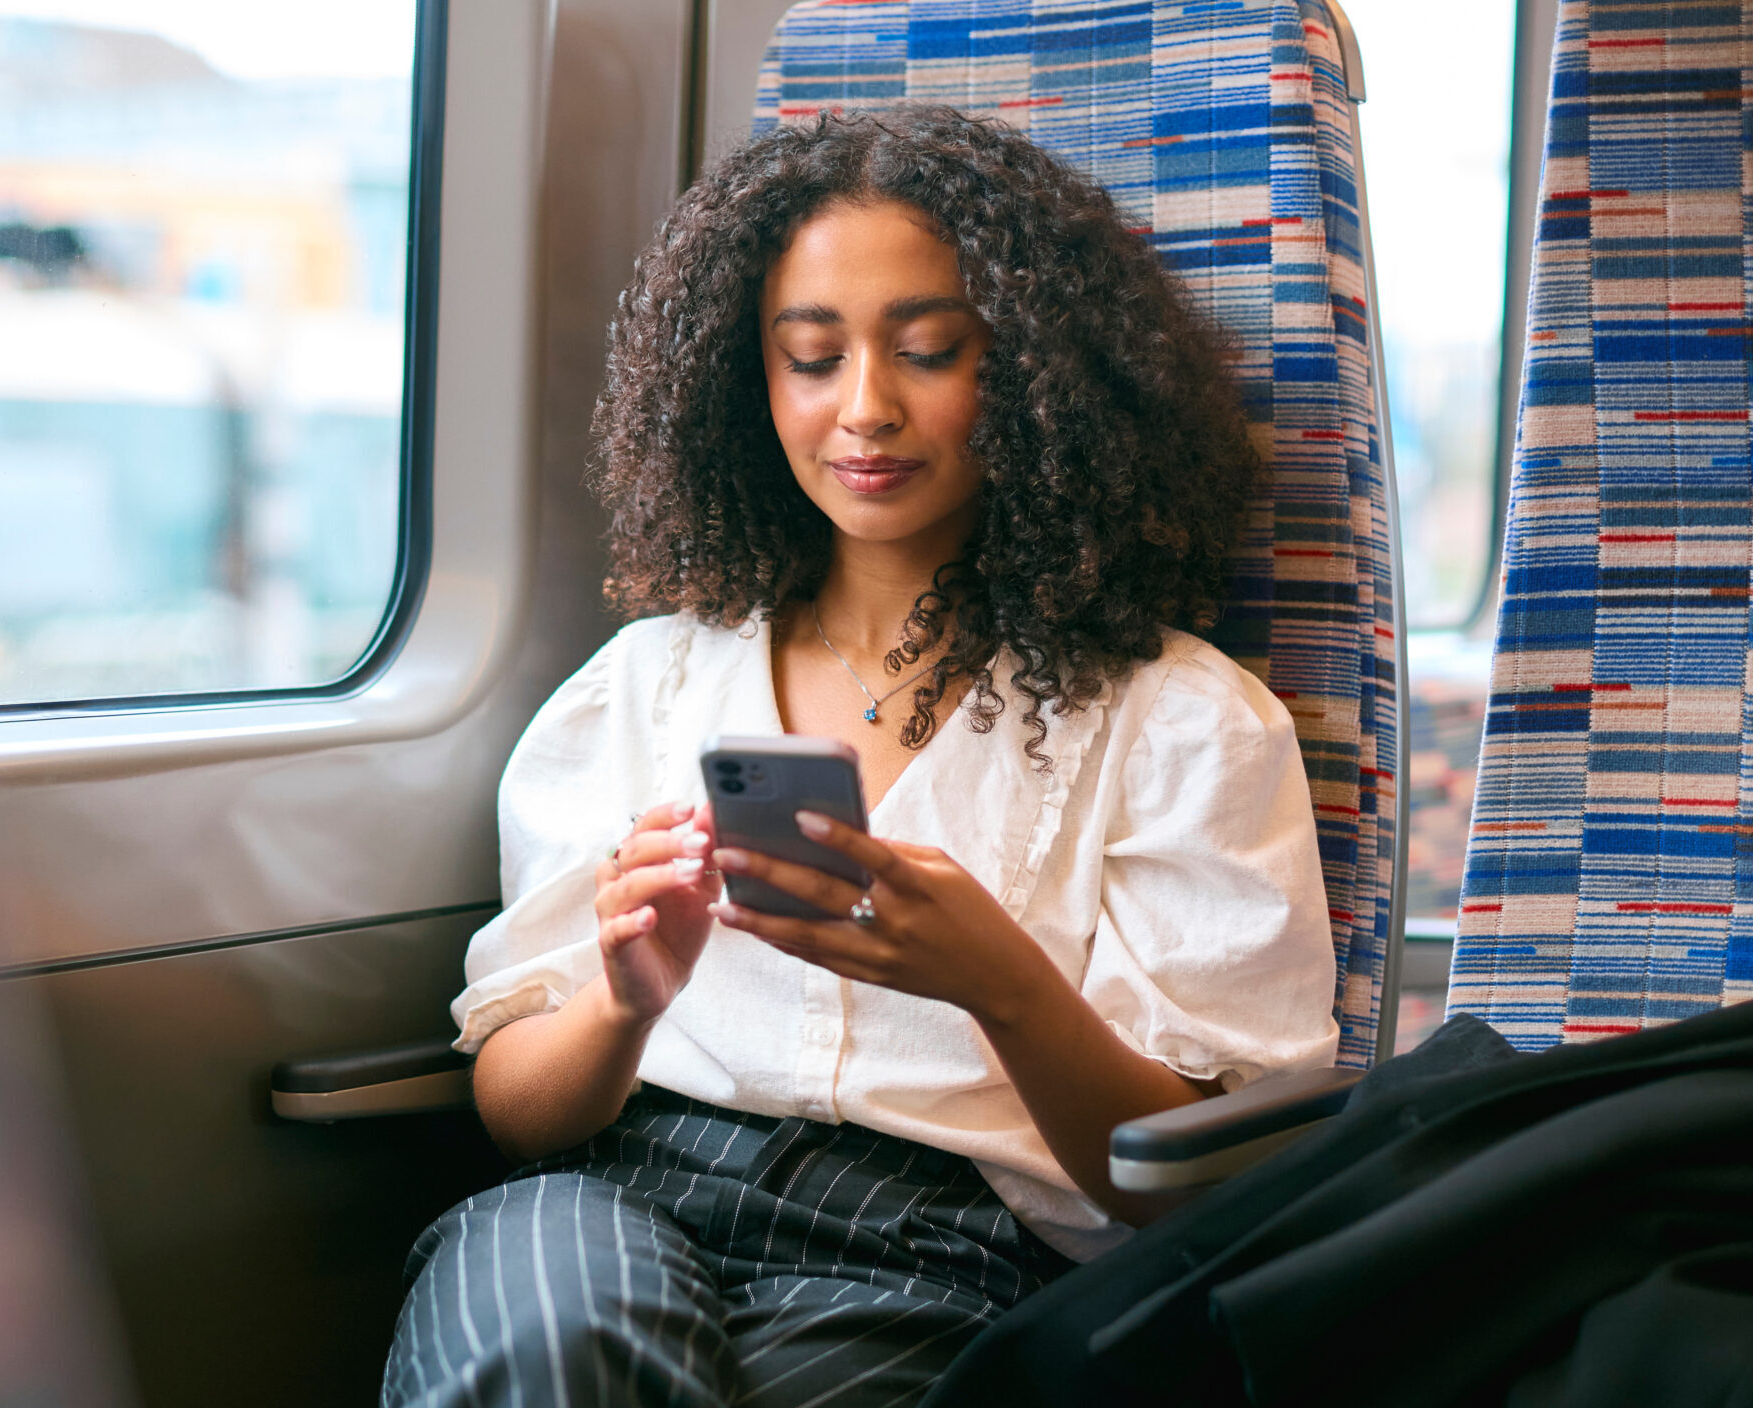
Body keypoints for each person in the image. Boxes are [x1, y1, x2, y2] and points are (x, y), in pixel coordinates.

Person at [382, 106, 1339, 1408]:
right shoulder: (654, 680)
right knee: (550, 1352)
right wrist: (622, 995)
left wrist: (1002, 985)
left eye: (931, 351)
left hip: (934, 1246)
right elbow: (519, 1112)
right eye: (812, 358)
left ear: (1035, 370)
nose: (866, 410)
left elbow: (1201, 1178)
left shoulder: (1183, 723)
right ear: (748, 380)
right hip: (611, 1196)